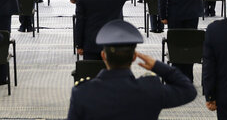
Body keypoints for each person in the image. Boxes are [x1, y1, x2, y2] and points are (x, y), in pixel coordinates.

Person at [67, 20, 197, 120]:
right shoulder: (150, 89)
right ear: (134, 57)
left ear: (103, 56)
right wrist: (158, 66)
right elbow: (188, 91)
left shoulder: (83, 92)